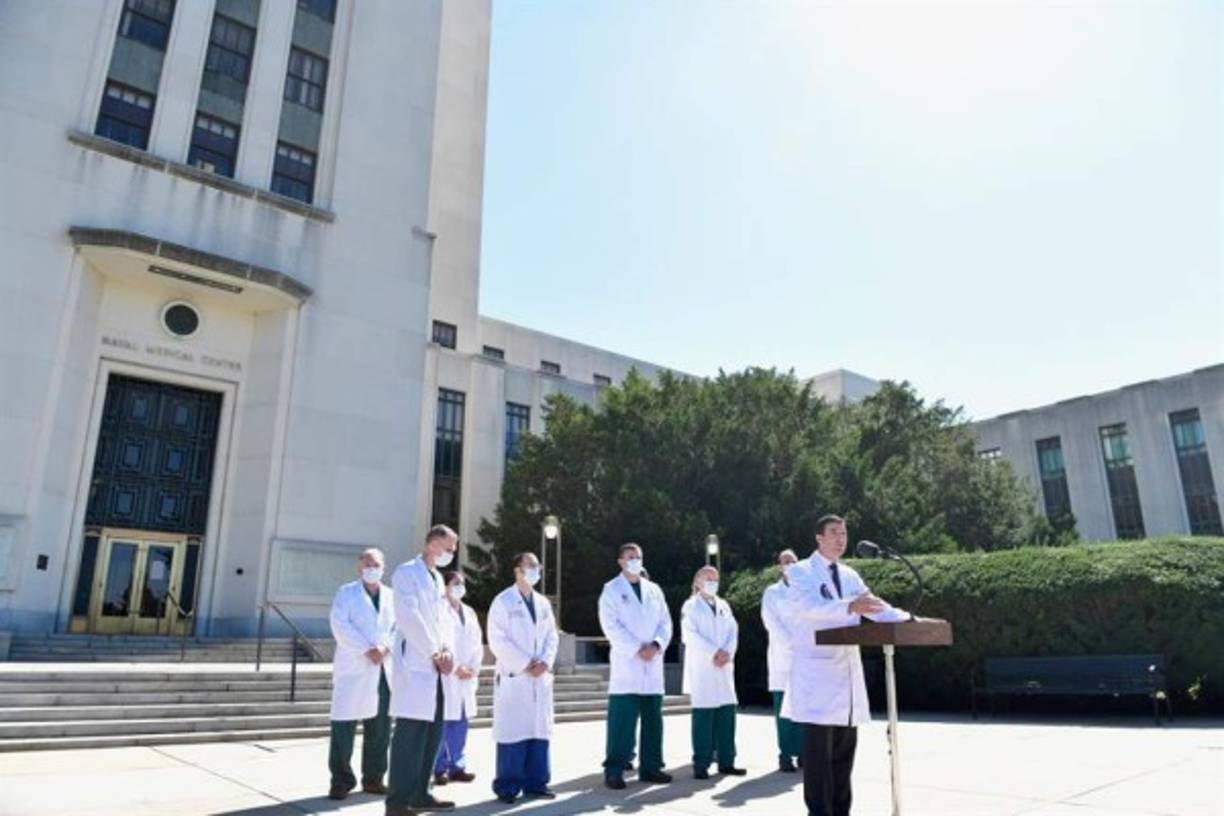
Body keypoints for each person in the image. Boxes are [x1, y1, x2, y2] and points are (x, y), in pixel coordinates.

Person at [782, 515, 911, 816]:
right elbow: (808, 608)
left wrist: (906, 619)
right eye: (834, 533)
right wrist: (849, 607)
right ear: (819, 538)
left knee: (843, 758)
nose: (841, 539)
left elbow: (874, 606)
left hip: (845, 681)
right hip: (817, 679)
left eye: (844, 533)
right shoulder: (801, 572)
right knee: (818, 760)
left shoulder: (850, 574)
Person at [385, 525, 459, 815]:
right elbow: (409, 616)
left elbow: (445, 621)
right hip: (417, 663)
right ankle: (397, 802)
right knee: (409, 736)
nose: (451, 553)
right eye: (448, 547)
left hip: (437, 669)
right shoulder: (406, 573)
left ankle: (421, 793)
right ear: (432, 543)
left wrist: (449, 651)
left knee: (432, 733)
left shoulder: (438, 579)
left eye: (453, 549)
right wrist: (433, 651)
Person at [598, 542, 674, 790]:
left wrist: (656, 644)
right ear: (620, 561)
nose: (635, 560)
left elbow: (666, 623)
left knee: (653, 720)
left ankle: (651, 767)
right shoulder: (611, 589)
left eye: (638, 556)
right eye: (630, 557)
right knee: (622, 722)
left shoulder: (654, 590)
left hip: (652, 664)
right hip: (627, 664)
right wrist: (636, 648)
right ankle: (614, 770)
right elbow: (610, 626)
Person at [487, 552, 559, 804]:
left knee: (539, 731)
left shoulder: (543, 603)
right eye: (531, 566)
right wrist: (527, 664)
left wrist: (545, 662)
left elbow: (552, 636)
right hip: (516, 675)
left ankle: (537, 784)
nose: (536, 570)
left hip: (540, 677)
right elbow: (498, 640)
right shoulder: (503, 601)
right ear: (517, 570)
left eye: (538, 566)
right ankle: (507, 787)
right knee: (513, 733)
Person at [327, 548, 396, 800]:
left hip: (382, 669)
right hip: (354, 668)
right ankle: (341, 780)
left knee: (379, 729)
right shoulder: (346, 593)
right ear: (359, 567)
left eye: (376, 563)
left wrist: (385, 647)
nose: (371, 568)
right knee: (343, 726)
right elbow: (339, 625)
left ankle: (374, 778)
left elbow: (398, 627)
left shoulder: (391, 596)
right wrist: (367, 649)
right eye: (367, 564)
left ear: (383, 566)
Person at [680, 566, 746, 780]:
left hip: (724, 666)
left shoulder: (724, 605)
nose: (712, 582)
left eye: (715, 578)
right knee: (704, 718)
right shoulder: (690, 606)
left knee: (726, 716)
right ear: (697, 581)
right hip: (704, 667)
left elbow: (733, 632)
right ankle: (701, 763)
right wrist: (714, 652)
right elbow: (689, 635)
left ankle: (727, 762)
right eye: (707, 578)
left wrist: (728, 652)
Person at [433, 571, 482, 787]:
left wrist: (472, 668)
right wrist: (455, 668)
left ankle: (458, 767)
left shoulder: (469, 612)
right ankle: (439, 768)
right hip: (448, 675)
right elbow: (438, 643)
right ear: (445, 586)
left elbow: (477, 644)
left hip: (466, 677)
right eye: (455, 583)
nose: (460, 586)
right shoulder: (438, 610)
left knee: (461, 724)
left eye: (462, 583)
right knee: (443, 723)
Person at [761, 548, 802, 773]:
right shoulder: (772, 592)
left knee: (805, 710)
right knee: (784, 711)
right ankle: (785, 754)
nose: (789, 565)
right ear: (779, 566)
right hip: (782, 657)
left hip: (806, 656)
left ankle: (805, 753)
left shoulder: (807, 589)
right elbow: (771, 622)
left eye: (793, 561)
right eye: (785, 561)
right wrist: (792, 641)